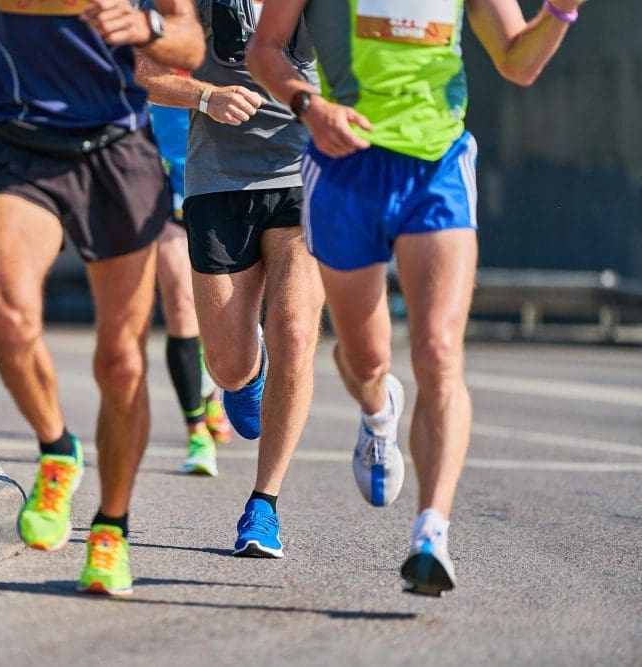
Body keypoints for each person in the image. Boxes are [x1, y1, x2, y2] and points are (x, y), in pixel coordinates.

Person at [248, 0, 589, 595]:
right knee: (367, 358)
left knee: (437, 351)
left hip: (437, 166)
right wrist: (310, 105)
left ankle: (431, 534)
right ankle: (379, 408)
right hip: (345, 168)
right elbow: (265, 49)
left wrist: (559, 12)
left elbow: (517, 62)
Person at [0, 0, 203, 597]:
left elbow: (188, 42)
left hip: (118, 150)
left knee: (121, 361)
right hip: (20, 145)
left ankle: (111, 529)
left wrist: (149, 28)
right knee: (6, 315)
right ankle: (57, 450)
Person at [136, 0, 325, 558]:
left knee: (295, 328)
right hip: (218, 181)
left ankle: (264, 504)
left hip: (306, 171)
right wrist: (204, 96)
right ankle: (251, 367)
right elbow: (139, 71)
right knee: (227, 365)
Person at [149, 102, 233, 477]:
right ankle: (196, 432)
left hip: (222, 185)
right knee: (182, 306)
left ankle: (214, 390)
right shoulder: (147, 51)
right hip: (166, 192)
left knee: (220, 310)